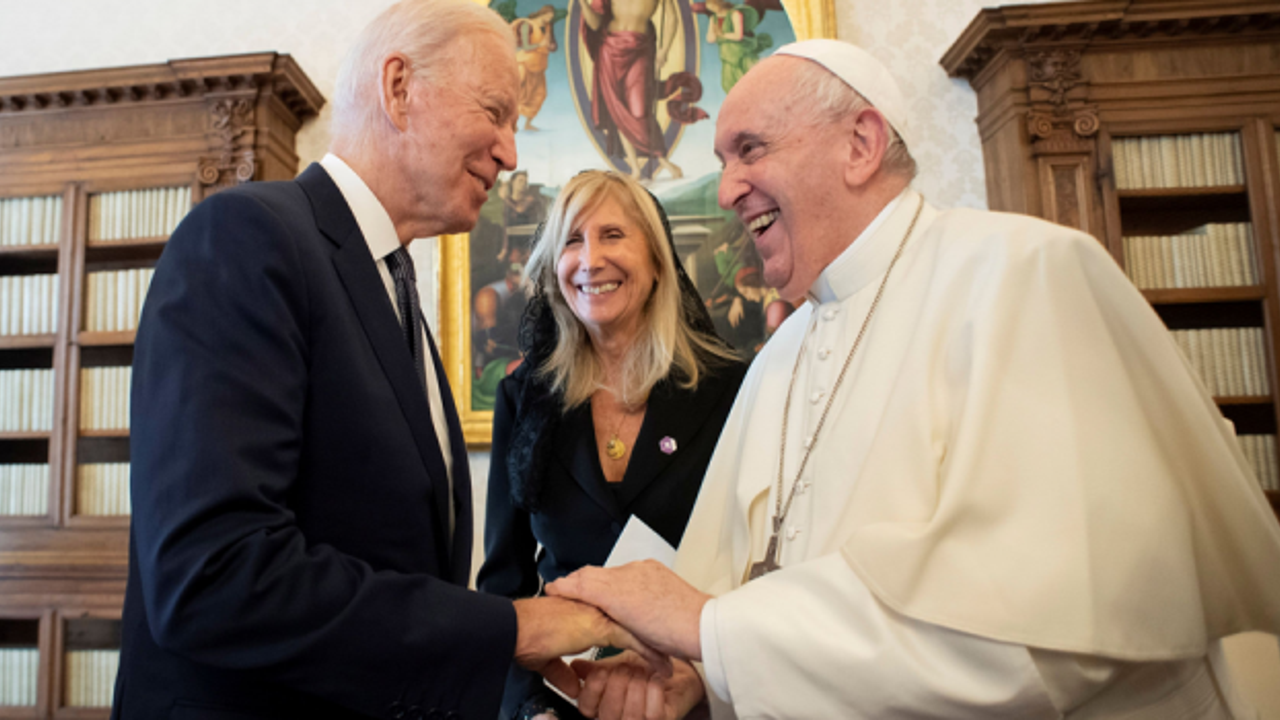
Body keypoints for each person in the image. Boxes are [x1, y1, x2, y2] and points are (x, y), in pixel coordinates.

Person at [548, 39, 1280, 719]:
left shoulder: (1022, 274)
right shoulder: (779, 355)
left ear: (860, 145)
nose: (728, 187)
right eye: (724, 158)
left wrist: (715, 632)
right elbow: (733, 587)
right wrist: (697, 673)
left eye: (751, 150)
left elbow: (1041, 630)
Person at [112, 3, 663, 718]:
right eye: (495, 112)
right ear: (399, 87)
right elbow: (214, 576)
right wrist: (515, 626)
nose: (510, 153)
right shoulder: (249, 238)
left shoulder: (394, 294)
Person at [478, 170, 746, 720]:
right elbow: (504, 589)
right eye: (572, 240)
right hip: (563, 703)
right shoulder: (523, 398)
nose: (590, 259)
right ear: (554, 268)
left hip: (694, 698)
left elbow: (757, 569)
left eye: (613, 236)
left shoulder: (732, 389)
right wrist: (528, 711)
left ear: (656, 260)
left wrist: (701, 679)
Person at [578, 0, 696, 180]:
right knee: (617, 108)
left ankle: (661, 159)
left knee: (639, 109)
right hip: (609, 48)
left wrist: (664, 51)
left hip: (640, 47)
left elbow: (672, 19)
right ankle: (635, 169)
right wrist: (583, 4)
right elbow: (595, 23)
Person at [512, 5, 560, 132]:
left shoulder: (548, 27)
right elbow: (526, 47)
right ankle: (511, 123)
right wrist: (541, 44)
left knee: (539, 95)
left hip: (539, 66)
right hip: (524, 63)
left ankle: (528, 123)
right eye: (548, 15)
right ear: (542, 13)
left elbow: (552, 46)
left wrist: (551, 46)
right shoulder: (527, 25)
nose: (549, 19)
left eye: (551, 17)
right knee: (519, 93)